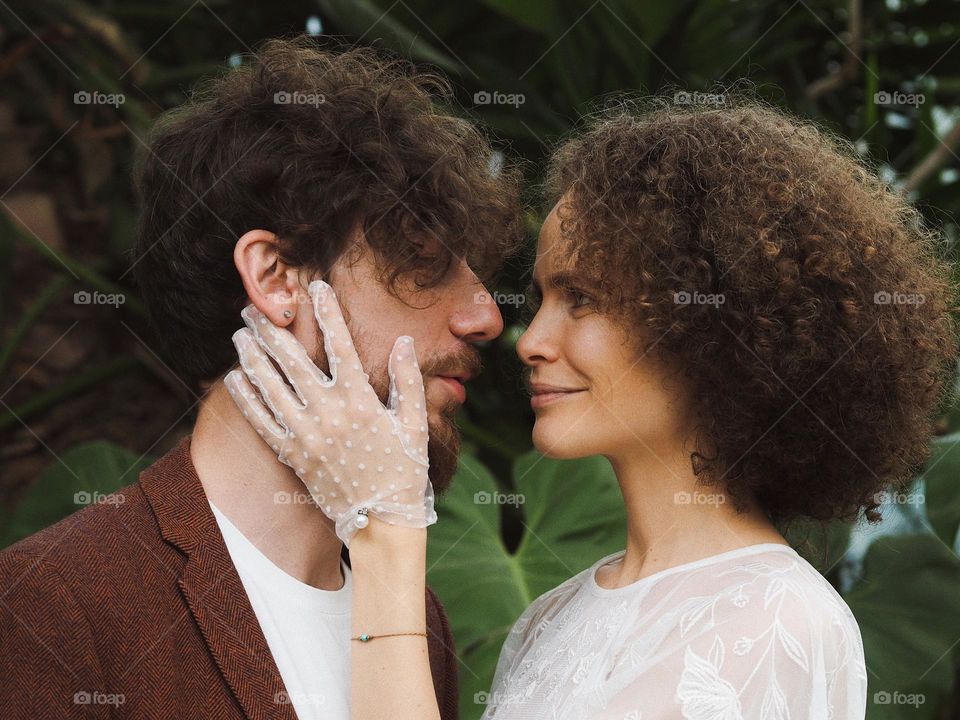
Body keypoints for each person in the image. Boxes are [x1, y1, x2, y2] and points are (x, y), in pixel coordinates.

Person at [230, 98, 958, 718]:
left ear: (709, 324)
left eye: (583, 298)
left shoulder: (775, 620)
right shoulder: (548, 619)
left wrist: (387, 530)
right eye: (542, 297)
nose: (531, 342)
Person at [0, 36, 521, 719]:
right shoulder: (53, 605)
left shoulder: (412, 616)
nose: (485, 316)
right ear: (277, 279)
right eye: (425, 261)